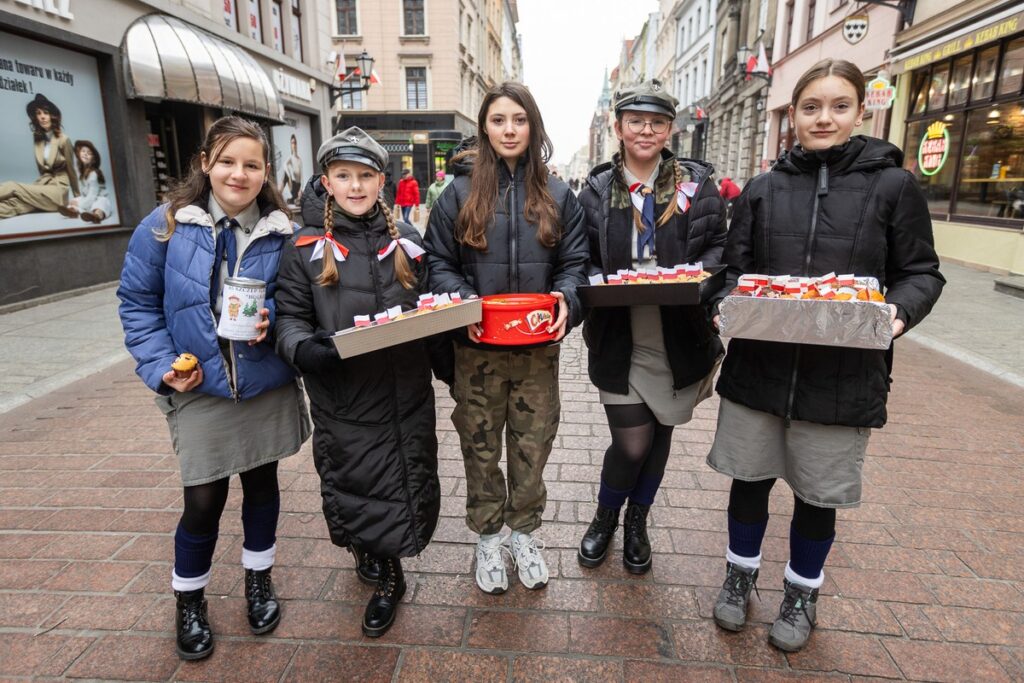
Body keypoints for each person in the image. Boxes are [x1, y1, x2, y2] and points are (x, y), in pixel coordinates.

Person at [706, 59, 944, 652]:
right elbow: (734, 271)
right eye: (811, 107)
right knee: (749, 481)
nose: (824, 118)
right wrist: (724, 302)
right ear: (793, 116)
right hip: (760, 366)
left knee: (818, 494)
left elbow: (920, 273)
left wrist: (898, 314)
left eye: (839, 105)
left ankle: (801, 591)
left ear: (861, 111)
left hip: (843, 375)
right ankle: (740, 575)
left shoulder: (893, 185)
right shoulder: (764, 188)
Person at [117, 116, 312, 660]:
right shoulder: (165, 226)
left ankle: (258, 582)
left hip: (263, 382)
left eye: (251, 164)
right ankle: (190, 600)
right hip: (199, 388)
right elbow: (136, 305)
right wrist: (161, 366)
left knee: (263, 486)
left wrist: (274, 317)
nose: (238, 173)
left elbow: (300, 302)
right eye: (227, 161)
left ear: (265, 171)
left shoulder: (284, 230)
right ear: (205, 163)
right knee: (203, 500)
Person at [274, 127, 447, 637]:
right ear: (326, 181)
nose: (355, 186)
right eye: (344, 176)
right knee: (357, 484)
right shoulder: (303, 247)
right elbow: (290, 317)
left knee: (403, 481)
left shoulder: (407, 241)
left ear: (381, 181)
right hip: (344, 394)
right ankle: (380, 565)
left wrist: (451, 358)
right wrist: (304, 350)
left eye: (365, 176)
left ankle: (389, 568)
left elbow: (432, 304)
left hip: (406, 392)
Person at [424, 81, 589, 595]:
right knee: (479, 448)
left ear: (533, 125)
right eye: (499, 120)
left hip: (538, 352)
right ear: (485, 127)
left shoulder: (560, 195)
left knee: (532, 448)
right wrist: (463, 303)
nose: (509, 130)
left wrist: (567, 300)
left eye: (519, 119)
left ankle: (524, 532)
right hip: (476, 354)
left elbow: (576, 264)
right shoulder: (457, 193)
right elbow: (437, 263)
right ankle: (488, 536)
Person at [576, 80, 727, 574]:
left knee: (660, 432)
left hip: (679, 333)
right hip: (620, 335)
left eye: (657, 121)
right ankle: (605, 517)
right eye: (635, 121)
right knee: (631, 440)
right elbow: (581, 260)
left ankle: (637, 521)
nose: (646, 129)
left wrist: (695, 286)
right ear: (618, 128)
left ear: (670, 130)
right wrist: (596, 286)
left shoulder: (697, 185)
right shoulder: (597, 190)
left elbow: (717, 254)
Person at [0, 94, 80, 219]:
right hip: (42, 188)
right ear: (35, 118)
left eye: (46, 113)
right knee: (16, 204)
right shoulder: (38, 140)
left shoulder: (64, 140)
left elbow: (71, 170)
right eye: (38, 113)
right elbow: (43, 170)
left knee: (13, 186)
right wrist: (38, 188)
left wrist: (78, 197)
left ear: (52, 116)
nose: (42, 117)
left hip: (58, 192)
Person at [60, 140, 113, 223]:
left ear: (93, 159)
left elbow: (92, 195)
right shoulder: (82, 173)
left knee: (101, 204)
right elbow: (85, 194)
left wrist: (80, 204)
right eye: (83, 151)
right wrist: (77, 201)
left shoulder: (93, 174)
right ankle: (73, 211)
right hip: (88, 198)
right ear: (79, 154)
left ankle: (96, 216)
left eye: (89, 153)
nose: (85, 154)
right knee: (75, 200)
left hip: (98, 198)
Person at [279, 133, 303, 204]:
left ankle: (279, 194)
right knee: (286, 173)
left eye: (295, 143)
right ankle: (279, 194)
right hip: (292, 183)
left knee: (286, 174)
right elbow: (284, 165)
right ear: (290, 145)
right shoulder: (291, 158)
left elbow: (302, 177)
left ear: (296, 144)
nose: (294, 145)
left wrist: (301, 189)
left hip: (297, 186)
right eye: (292, 143)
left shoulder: (299, 159)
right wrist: (290, 175)